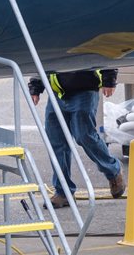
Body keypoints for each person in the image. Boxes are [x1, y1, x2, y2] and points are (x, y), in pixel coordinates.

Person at [28, 69, 125, 209]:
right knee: (56, 141)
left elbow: (104, 55)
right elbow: (43, 59)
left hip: (84, 88)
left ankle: (113, 170)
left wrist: (109, 79)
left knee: (84, 136)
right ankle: (63, 192)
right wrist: (36, 86)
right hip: (57, 93)